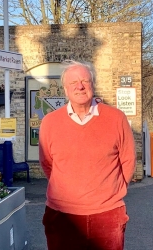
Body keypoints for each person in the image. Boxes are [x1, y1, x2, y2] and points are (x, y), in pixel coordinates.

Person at [39, 60, 136, 250]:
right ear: (65, 90)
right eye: (73, 83)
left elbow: (128, 160)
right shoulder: (50, 123)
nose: (80, 86)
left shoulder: (116, 118)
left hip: (107, 214)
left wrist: (110, 193)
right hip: (62, 216)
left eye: (85, 80)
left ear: (92, 85)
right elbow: (47, 163)